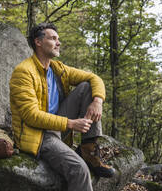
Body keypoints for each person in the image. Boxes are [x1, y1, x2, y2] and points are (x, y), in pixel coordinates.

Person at [9, 22, 115, 191]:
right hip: (39, 134)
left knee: (87, 87)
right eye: (53, 38)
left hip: (58, 124)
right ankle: (83, 160)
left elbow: (94, 78)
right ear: (38, 42)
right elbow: (31, 116)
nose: (58, 43)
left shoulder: (57, 68)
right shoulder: (24, 72)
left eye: (58, 39)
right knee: (80, 170)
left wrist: (98, 101)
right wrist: (71, 124)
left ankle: (88, 150)